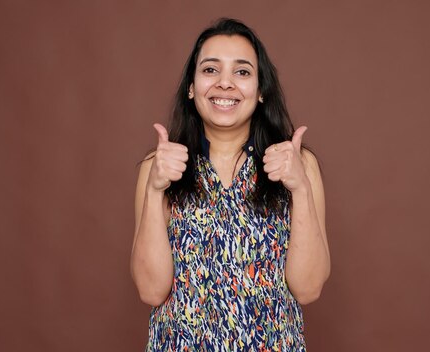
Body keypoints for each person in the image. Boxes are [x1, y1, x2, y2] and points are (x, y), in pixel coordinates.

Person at [131, 18, 330, 351]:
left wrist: (301, 188)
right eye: (210, 70)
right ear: (191, 88)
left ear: (261, 90)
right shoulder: (159, 167)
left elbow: (308, 289)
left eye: (242, 72)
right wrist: (154, 190)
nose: (225, 84)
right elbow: (151, 291)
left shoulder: (297, 165)